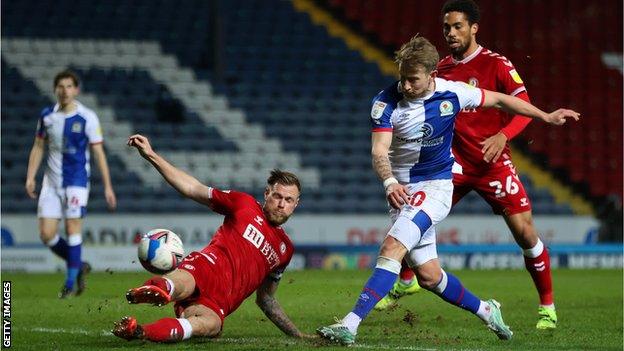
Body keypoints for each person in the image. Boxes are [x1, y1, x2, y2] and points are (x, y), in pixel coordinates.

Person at [316, 35, 579, 345]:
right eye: (402, 78)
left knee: (391, 249)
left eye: (413, 79)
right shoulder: (385, 103)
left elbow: (500, 99)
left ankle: (350, 324)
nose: (407, 86)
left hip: (437, 186)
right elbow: (379, 151)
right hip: (402, 191)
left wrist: (545, 116)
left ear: (432, 75)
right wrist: (389, 182)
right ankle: (487, 310)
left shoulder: (453, 93)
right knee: (429, 277)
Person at [376, 0, 559, 330]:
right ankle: (406, 281)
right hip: (454, 165)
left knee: (526, 234)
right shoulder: (440, 70)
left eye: (457, 26)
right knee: (413, 214)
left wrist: (503, 135)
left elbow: (521, 104)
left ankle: (547, 306)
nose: (450, 32)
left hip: (493, 165)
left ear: (474, 27)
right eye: (446, 27)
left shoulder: (497, 64)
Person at [113, 134, 311, 343]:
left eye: (288, 200)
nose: (281, 204)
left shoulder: (285, 250)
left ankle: (138, 331)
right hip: (206, 267)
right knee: (183, 283)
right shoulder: (244, 204)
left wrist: (298, 334)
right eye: (277, 196)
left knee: (210, 325)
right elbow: (193, 188)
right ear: (266, 194)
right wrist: (151, 156)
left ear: (295, 204)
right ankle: (157, 288)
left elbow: (266, 299)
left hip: (220, 301)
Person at [25, 70, 117, 298]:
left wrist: (107, 186)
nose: (64, 91)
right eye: (60, 86)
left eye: (69, 86)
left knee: (72, 228)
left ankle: (69, 283)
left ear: (76, 90)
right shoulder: (47, 116)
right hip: (51, 182)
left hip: (76, 182)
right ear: (55, 89)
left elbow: (98, 152)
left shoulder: (88, 117)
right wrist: (30, 176)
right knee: (46, 235)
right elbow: (38, 147)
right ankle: (78, 264)